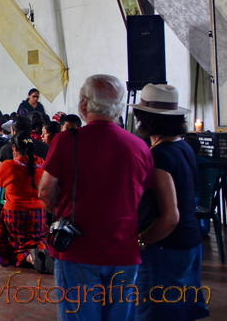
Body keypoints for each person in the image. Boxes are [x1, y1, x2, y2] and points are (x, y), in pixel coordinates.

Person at [38, 74, 154, 321]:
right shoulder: (139, 146)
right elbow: (143, 194)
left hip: (78, 247)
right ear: (120, 108)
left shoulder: (68, 140)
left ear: (83, 105)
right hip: (124, 248)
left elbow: (45, 191)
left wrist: (61, 214)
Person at [132, 84, 206, 321]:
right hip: (189, 243)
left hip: (165, 249)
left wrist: (141, 241)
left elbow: (169, 217)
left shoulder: (160, 156)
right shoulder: (182, 147)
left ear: (145, 119)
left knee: (157, 313)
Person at [0, 133, 48, 268]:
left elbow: (0, 182)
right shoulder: (42, 164)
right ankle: (42, 253)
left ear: (14, 148)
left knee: (16, 243)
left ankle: (29, 257)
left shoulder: (9, 165)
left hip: (15, 212)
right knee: (37, 238)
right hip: (38, 212)